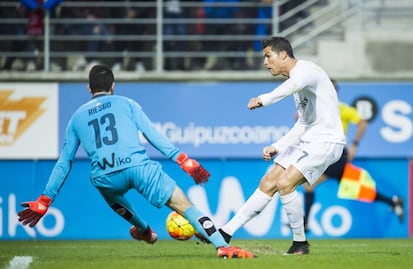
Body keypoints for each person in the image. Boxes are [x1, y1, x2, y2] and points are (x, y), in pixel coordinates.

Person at [17, 64, 254, 259]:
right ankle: (222, 246)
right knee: (185, 206)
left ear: (89, 88)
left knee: (110, 192)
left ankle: (144, 230)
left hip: (106, 176)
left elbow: (64, 162)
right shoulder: (127, 103)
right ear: (113, 86)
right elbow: (152, 134)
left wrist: (45, 199)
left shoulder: (76, 117)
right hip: (140, 168)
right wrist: (182, 160)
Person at [217, 36, 346, 255]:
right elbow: (303, 123)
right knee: (269, 182)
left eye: (268, 56)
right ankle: (226, 232)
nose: (265, 62)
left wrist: (263, 99)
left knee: (286, 183)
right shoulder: (298, 85)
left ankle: (299, 243)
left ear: (283, 54)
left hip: (327, 141)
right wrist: (277, 146)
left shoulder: (305, 72)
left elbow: (292, 85)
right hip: (309, 139)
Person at [303, 80, 405, 231]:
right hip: (327, 155)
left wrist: (355, 144)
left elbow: (363, 123)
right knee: (357, 190)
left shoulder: (342, 109)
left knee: (308, 184)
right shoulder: (317, 109)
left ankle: (305, 225)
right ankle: (393, 202)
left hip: (336, 155)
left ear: (334, 92)